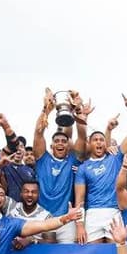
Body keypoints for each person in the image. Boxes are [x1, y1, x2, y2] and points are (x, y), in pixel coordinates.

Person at [74, 95, 127, 243]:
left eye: (101, 140)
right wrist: (79, 226)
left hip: (113, 212)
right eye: (95, 140)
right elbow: (79, 200)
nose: (98, 142)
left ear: (106, 143)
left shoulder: (115, 158)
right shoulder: (83, 168)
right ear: (89, 143)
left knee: (117, 253)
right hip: (92, 214)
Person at [32, 88, 90, 243]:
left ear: (68, 146)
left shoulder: (73, 160)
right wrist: (46, 109)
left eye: (64, 141)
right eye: (56, 141)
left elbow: (83, 137)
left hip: (67, 218)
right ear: (51, 145)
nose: (60, 143)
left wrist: (77, 110)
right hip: (43, 217)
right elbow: (38, 133)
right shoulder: (42, 159)